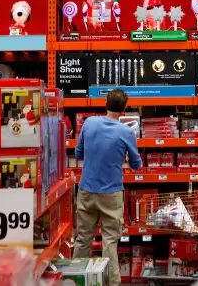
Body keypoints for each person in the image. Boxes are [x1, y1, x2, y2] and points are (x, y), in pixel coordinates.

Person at [74, 89, 142, 286]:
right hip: (111, 193)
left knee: (82, 239)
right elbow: (137, 165)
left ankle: (77, 280)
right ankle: (111, 283)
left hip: (86, 189)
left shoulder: (89, 123)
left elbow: (79, 153)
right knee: (109, 241)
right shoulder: (126, 132)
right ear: (124, 108)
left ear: (105, 104)